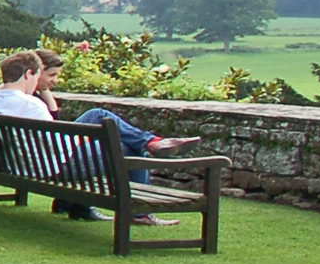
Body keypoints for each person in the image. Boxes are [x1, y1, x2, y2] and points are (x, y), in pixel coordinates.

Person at [23, 50, 201, 224]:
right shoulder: (32, 103)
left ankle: (74, 203)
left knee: (98, 117)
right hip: (55, 163)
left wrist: (45, 92)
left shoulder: (16, 96)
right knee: (125, 144)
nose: (56, 80)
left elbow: (51, 128)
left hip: (38, 159)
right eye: (52, 75)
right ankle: (140, 207)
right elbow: (54, 130)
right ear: (36, 72)